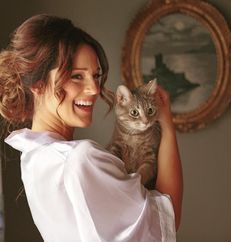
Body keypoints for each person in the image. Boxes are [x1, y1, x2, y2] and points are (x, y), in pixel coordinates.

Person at [0, 14, 183, 242]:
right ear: (37, 84)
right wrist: (166, 122)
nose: (95, 89)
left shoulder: (33, 157)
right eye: (77, 76)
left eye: (96, 76)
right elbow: (167, 219)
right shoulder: (81, 159)